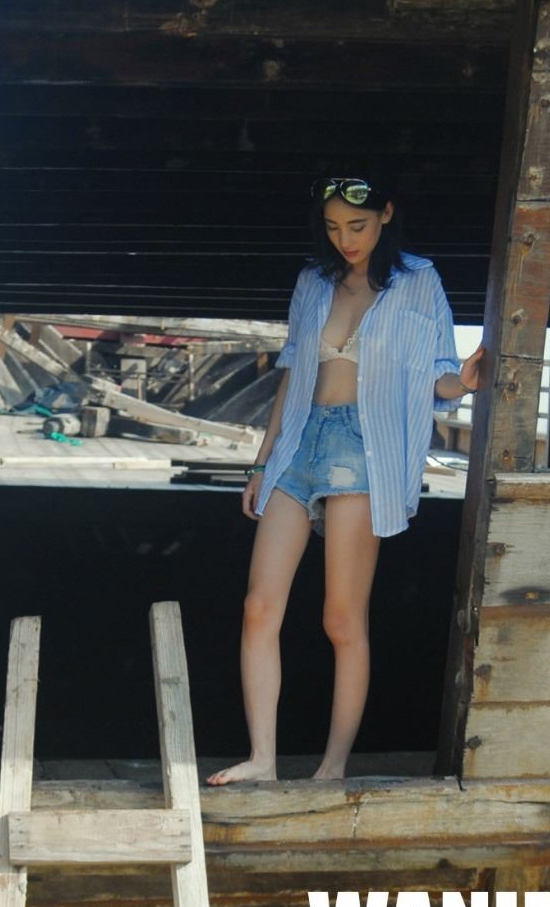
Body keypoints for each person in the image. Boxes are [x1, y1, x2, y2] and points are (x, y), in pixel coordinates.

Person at [208, 177, 485, 786]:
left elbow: (436, 376)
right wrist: (260, 462)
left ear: (386, 214)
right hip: (298, 443)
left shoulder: (419, 281)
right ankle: (262, 760)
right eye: (333, 228)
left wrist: (465, 383)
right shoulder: (313, 280)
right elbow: (292, 374)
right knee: (259, 607)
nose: (346, 239)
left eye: (357, 226)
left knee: (341, 618)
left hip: (363, 449)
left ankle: (332, 768)